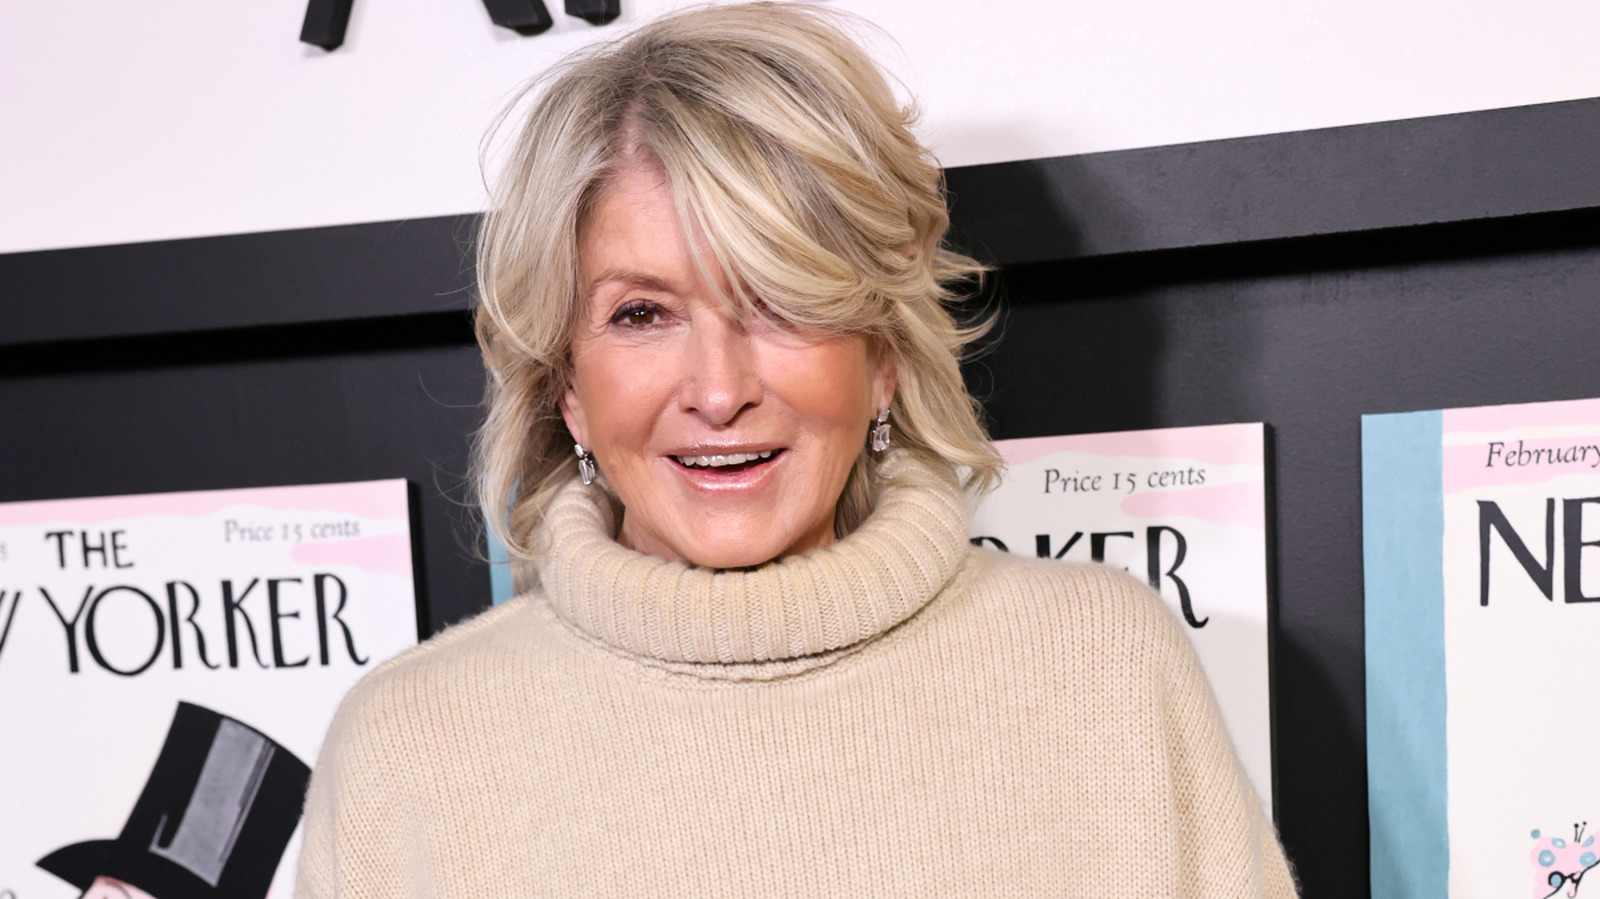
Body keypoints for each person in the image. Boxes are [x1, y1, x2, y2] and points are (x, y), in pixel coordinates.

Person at [296, 3, 1298, 895]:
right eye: (641, 313)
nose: (718, 388)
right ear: (565, 382)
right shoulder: (407, 749)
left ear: (884, 355)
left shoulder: (1102, 669)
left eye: (779, 300)